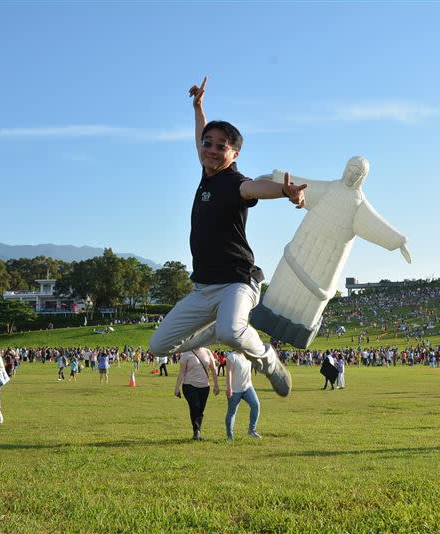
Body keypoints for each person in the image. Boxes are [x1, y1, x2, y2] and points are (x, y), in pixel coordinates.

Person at [147, 77, 305, 398]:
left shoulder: (235, 183)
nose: (212, 150)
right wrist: (198, 106)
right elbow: (200, 136)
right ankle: (219, 328)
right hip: (203, 288)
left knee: (232, 331)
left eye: (222, 146)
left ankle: (267, 358)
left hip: (238, 282)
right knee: (158, 345)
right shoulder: (206, 173)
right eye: (208, 144)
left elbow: (256, 186)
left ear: (235, 154)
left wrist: (285, 192)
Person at [174, 347, 219, 441]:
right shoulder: (186, 353)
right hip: (189, 385)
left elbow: (213, 369)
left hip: (205, 386)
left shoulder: (207, 352)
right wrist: (177, 387)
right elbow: (182, 372)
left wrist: (216, 385)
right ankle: (196, 431)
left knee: (200, 410)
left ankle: (197, 431)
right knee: (195, 406)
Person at [225, 351, 261, 442]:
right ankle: (230, 436)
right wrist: (229, 388)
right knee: (232, 412)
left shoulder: (248, 355)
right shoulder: (231, 357)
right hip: (235, 390)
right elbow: (228, 373)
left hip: (247, 387)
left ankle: (251, 430)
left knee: (256, 405)